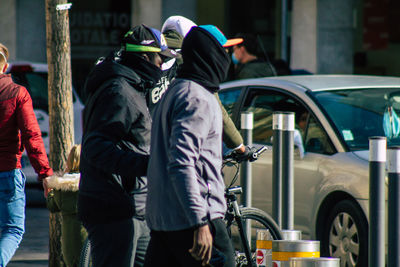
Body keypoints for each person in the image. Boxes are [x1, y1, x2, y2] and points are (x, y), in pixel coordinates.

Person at [77, 24, 176, 267]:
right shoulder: (118, 91)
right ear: (144, 57)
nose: (161, 66)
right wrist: (146, 165)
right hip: (114, 209)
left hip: (136, 208)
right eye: (159, 59)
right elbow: (95, 148)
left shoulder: (136, 87)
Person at [144, 25, 241, 267]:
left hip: (165, 219)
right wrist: (200, 221)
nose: (228, 59)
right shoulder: (196, 97)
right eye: (224, 52)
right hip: (193, 218)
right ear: (210, 55)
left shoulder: (177, 89)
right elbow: (181, 162)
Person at [159, 15, 246, 154]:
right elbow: (184, 159)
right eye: (223, 50)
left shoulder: (178, 83)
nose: (227, 55)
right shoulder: (197, 86)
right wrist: (239, 146)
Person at [0, 42, 53, 266]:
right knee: (13, 229)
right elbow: (32, 136)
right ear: (5, 67)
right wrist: (45, 173)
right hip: (8, 171)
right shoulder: (16, 93)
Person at [45, 144, 87, 267]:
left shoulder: (61, 186)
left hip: (69, 239)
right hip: (89, 237)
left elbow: (52, 206)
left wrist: (50, 191)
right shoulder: (91, 184)